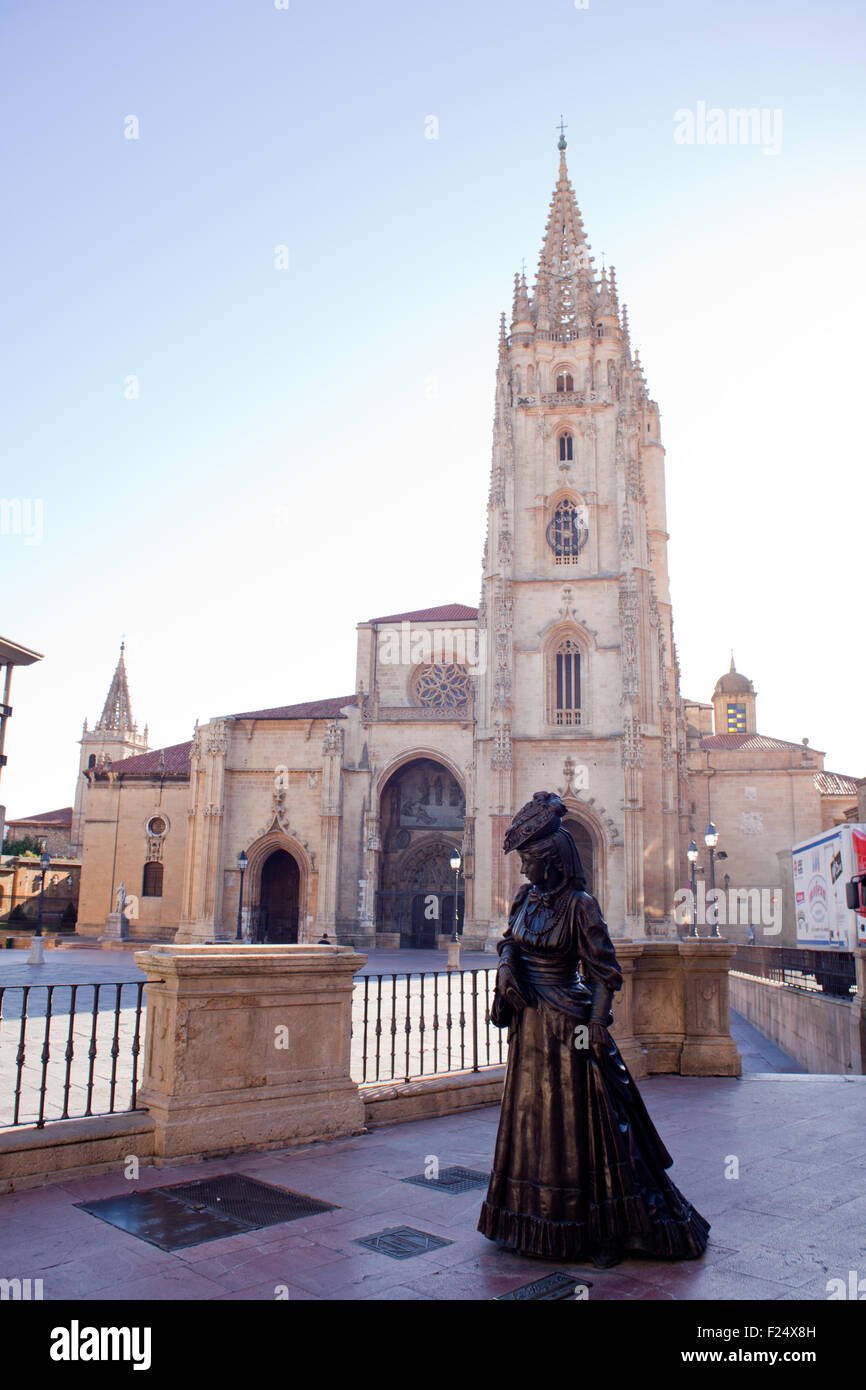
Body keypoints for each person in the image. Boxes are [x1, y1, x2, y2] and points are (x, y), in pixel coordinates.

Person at [478, 791, 710, 1266]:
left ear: (552, 860)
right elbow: (509, 943)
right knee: (535, 1124)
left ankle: (602, 1231)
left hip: (570, 1026)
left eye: (529, 860)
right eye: (522, 859)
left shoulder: (581, 906)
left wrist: (596, 1027)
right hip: (530, 1028)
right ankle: (530, 1220)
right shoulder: (525, 898)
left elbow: (604, 974)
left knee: (585, 1127)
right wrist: (506, 969)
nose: (522, 869)